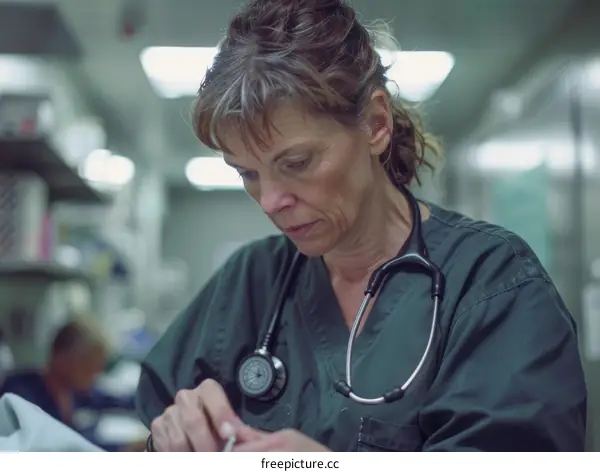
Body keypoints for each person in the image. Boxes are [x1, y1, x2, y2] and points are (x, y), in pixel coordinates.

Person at [135, 0, 587, 452]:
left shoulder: (490, 284)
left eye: (296, 162)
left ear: (375, 124)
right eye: (247, 173)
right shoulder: (251, 281)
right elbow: (153, 424)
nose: (270, 201)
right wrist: (172, 434)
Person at [0, 318, 139, 451]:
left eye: (98, 366)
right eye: (88, 365)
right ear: (60, 357)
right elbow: (50, 447)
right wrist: (124, 448)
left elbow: (118, 401)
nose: (96, 373)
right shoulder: (20, 396)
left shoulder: (76, 392)